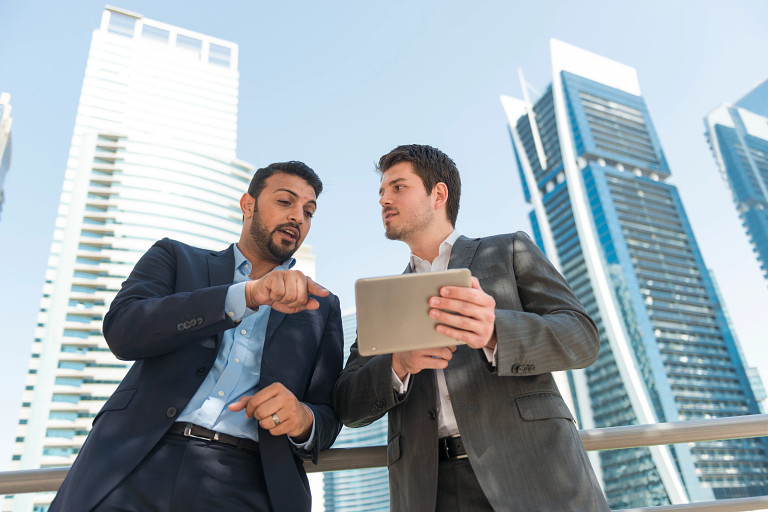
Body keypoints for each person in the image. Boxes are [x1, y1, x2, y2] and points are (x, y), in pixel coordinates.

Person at [50, 161, 344, 512]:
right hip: (136, 462)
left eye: (309, 212)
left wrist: (303, 419)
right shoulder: (174, 257)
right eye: (286, 202)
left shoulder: (321, 307)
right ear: (247, 204)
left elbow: (327, 415)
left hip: (249, 481)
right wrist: (246, 296)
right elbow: (123, 330)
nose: (298, 217)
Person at [333, 144, 610, 511]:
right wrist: (399, 364)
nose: (384, 199)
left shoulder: (508, 250)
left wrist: (496, 330)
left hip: (533, 473)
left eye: (398, 187)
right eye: (381, 192)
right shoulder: (381, 300)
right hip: (431, 491)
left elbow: (582, 337)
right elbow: (347, 405)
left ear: (438, 194)